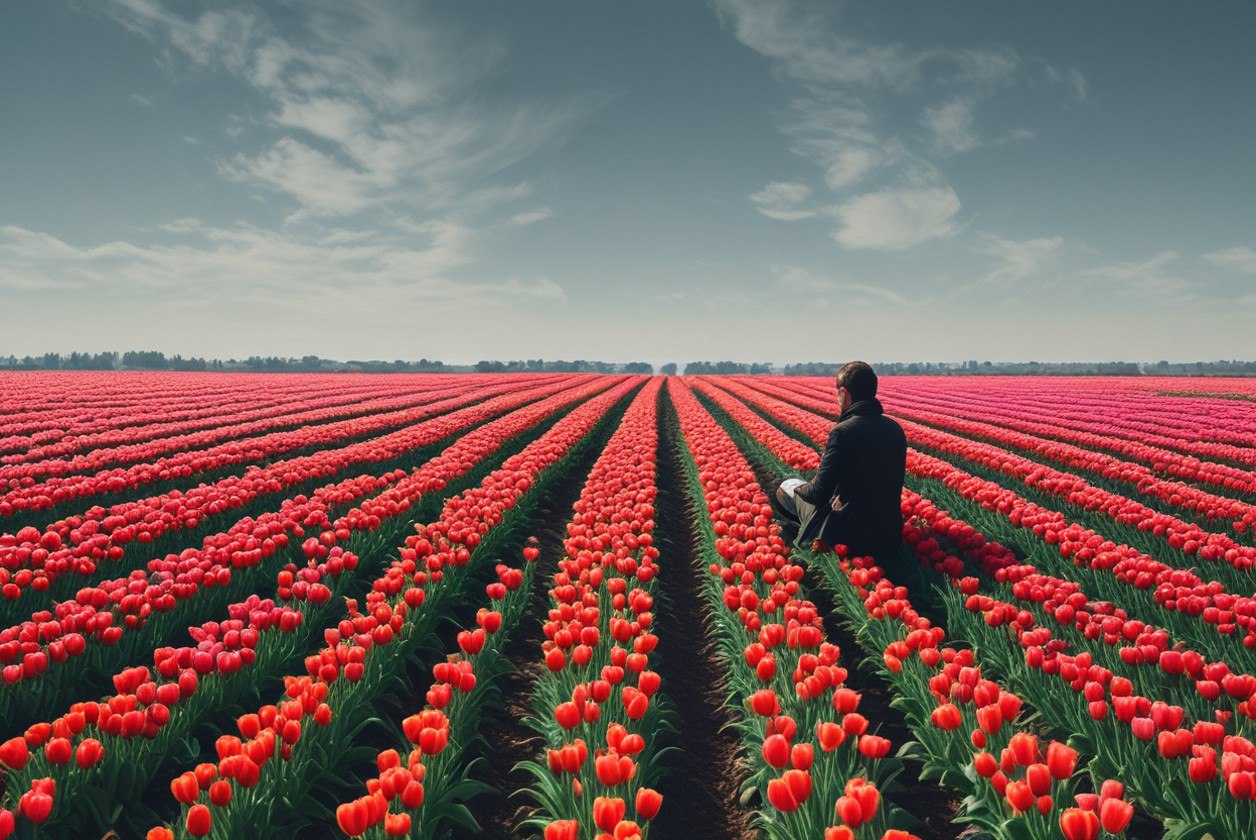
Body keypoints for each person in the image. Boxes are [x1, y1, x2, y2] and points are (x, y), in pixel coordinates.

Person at [775, 361, 906, 560]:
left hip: (851, 535)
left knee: (785, 489)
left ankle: (813, 538)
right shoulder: (895, 429)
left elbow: (819, 493)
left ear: (844, 394)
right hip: (889, 533)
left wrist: (799, 489)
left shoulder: (844, 431)